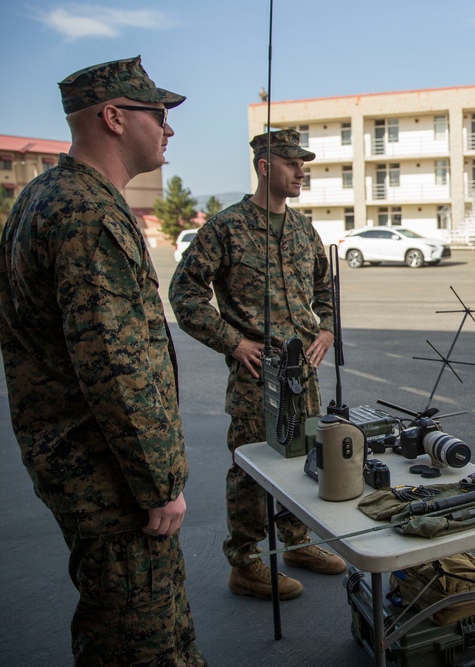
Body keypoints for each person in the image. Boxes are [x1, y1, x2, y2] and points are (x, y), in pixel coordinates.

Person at [0, 56, 205, 665]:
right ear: (113, 117)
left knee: (151, 621)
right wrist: (159, 482)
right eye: (158, 115)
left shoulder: (47, 195)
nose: (169, 130)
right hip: (110, 479)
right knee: (136, 639)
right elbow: (115, 367)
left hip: (84, 467)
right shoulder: (87, 214)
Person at [169, 129, 346, 601]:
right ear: (266, 166)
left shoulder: (305, 230)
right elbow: (184, 294)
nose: (301, 172)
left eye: (303, 163)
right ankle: (245, 561)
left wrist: (326, 330)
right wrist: (233, 342)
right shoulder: (226, 228)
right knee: (251, 467)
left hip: (303, 371)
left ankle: (296, 542)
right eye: (292, 163)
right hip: (256, 374)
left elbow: (326, 289)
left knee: (304, 458)